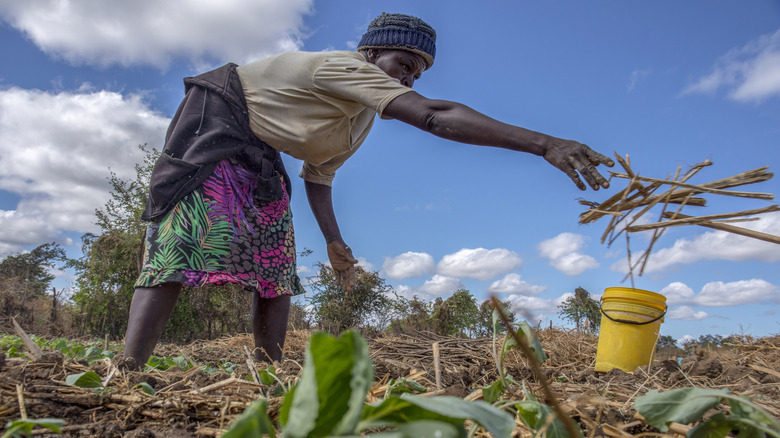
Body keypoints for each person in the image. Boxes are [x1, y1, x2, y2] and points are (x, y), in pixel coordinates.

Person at [121, 12, 614, 369]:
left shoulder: (357, 121)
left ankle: (266, 372)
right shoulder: (341, 67)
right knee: (183, 244)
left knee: (276, 262)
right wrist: (544, 143)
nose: (407, 77)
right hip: (218, 119)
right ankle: (129, 368)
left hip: (262, 148)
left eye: (415, 74)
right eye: (402, 64)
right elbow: (434, 116)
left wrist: (335, 243)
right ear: (372, 53)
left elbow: (319, 176)